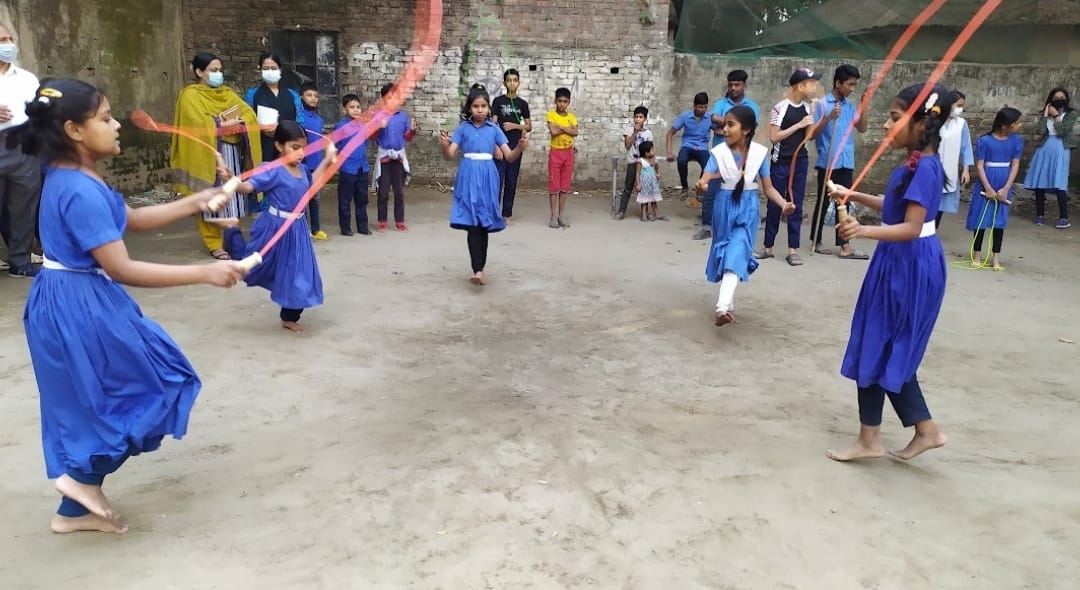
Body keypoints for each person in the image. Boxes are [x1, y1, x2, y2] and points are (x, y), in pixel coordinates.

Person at [12, 78, 246, 533]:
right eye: (105, 118)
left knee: (100, 397)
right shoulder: (78, 189)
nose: (116, 125)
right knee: (154, 385)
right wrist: (205, 273)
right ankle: (79, 481)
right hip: (77, 303)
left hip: (74, 297)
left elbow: (132, 219)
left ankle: (74, 511)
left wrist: (198, 201)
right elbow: (122, 267)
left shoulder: (78, 177)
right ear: (74, 130)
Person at [825, 82, 952, 463]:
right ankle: (923, 431)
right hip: (897, 260)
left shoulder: (926, 168)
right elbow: (895, 206)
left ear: (921, 123)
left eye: (894, 118)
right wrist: (851, 194)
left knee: (881, 343)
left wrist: (861, 230)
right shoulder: (914, 163)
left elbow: (912, 227)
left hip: (910, 264)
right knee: (881, 343)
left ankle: (873, 439)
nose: (885, 125)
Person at [212, 121, 335, 332]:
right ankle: (232, 230)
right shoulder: (273, 170)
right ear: (279, 145)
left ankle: (289, 316)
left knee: (299, 273)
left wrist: (327, 160)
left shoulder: (302, 169)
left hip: (297, 230)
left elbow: (310, 184)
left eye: (303, 148)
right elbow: (247, 187)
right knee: (250, 267)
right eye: (295, 147)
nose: (301, 153)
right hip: (274, 229)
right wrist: (232, 179)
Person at [696, 105, 793, 327]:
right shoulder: (718, 152)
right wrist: (701, 185)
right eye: (725, 125)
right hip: (724, 207)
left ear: (746, 129)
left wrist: (783, 204)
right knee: (726, 251)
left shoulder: (759, 154)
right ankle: (728, 306)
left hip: (748, 208)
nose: (725, 129)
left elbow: (768, 188)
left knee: (738, 249)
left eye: (731, 125)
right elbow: (705, 178)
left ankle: (721, 307)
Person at [170, 52, 261, 260]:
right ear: (199, 72)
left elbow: (248, 113)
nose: (218, 74)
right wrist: (220, 123)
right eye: (213, 70)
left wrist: (238, 122)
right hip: (206, 154)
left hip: (231, 152)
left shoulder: (227, 93)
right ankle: (213, 243)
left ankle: (231, 237)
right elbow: (196, 123)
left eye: (219, 70)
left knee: (230, 197)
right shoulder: (190, 96)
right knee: (208, 197)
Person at [439, 84, 528, 285]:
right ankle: (477, 269)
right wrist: (445, 146)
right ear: (469, 108)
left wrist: (520, 148)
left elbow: (509, 156)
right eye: (475, 106)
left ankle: (480, 269)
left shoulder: (494, 130)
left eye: (483, 106)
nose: (479, 110)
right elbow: (449, 155)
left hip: (488, 178)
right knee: (472, 224)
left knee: (483, 223)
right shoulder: (463, 129)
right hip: (468, 177)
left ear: (489, 108)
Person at [756, 67, 823, 267]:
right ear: (800, 86)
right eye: (811, 84)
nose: (814, 87)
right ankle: (768, 247)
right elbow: (774, 137)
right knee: (775, 204)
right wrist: (798, 125)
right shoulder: (780, 108)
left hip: (800, 161)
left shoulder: (807, 108)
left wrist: (813, 114)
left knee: (796, 204)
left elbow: (809, 136)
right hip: (780, 162)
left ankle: (793, 250)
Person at [809, 64, 870, 258]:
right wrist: (828, 118)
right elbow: (811, 134)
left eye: (854, 85)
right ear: (838, 83)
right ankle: (816, 241)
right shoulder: (822, 105)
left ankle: (844, 245)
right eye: (850, 84)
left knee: (843, 203)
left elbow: (862, 127)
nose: (852, 88)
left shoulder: (849, 106)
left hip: (846, 161)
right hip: (828, 162)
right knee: (823, 203)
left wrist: (864, 105)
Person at [695, 70, 760, 236]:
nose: (733, 88)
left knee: (744, 191)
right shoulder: (721, 103)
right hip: (720, 157)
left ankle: (740, 225)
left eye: (737, 85)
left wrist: (724, 122)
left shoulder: (752, 106)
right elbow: (713, 118)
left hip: (743, 157)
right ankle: (707, 227)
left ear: (744, 85)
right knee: (711, 191)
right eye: (730, 85)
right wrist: (736, 123)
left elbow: (752, 126)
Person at [0, 23, 42, 277]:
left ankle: (20, 261)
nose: (8, 45)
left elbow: (39, 110)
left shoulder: (27, 79)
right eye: (1, 40)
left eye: (9, 39)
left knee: (23, 206)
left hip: (24, 146)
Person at [966, 107, 1022, 271]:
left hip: (1005, 180)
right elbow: (980, 165)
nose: (1019, 125)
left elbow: (1015, 164)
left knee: (999, 222)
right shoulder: (985, 141)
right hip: (986, 181)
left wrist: (1006, 188)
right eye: (1016, 123)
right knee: (981, 219)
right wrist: (988, 188)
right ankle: (977, 254)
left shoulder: (1016, 141)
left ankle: (995, 257)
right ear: (1004, 125)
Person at [1024, 88, 1076, 229]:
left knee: (1060, 181)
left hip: (1061, 149)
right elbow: (1040, 131)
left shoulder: (1071, 114)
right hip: (1044, 148)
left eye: (1062, 97)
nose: (1059, 99)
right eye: (1056, 97)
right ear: (1051, 99)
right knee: (1040, 181)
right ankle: (1040, 215)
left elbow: (1062, 131)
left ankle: (1064, 218)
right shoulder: (1047, 113)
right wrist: (1046, 114)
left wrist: (1056, 116)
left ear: (1066, 99)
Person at [245, 52, 304, 166]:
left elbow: (300, 120)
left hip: (288, 144)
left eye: (273, 68)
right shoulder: (252, 94)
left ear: (280, 70)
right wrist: (260, 127)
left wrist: (283, 129)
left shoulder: (292, 95)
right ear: (260, 70)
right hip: (262, 144)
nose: (270, 71)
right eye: (266, 68)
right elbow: (247, 120)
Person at [491, 68, 532, 223]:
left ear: (519, 83)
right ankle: (494, 214)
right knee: (497, 181)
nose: (512, 83)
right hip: (501, 145)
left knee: (511, 180)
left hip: (515, 146)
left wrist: (515, 126)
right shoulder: (498, 101)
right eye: (509, 80)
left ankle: (506, 214)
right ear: (504, 83)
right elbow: (492, 125)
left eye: (515, 80)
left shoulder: (522, 104)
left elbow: (529, 126)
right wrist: (496, 146)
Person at [374, 83, 416, 232]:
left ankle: (399, 221)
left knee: (399, 192)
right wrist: (378, 127)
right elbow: (371, 136)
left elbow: (407, 137)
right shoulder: (378, 115)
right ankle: (382, 221)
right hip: (384, 157)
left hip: (398, 157)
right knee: (383, 192)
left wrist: (413, 131)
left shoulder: (403, 116)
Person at [334, 94, 371, 236]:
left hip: (362, 168)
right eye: (351, 107)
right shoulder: (340, 127)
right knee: (345, 200)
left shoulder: (363, 125)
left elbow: (365, 144)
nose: (356, 110)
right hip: (347, 169)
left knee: (362, 199)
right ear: (344, 110)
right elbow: (335, 146)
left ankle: (363, 226)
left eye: (358, 107)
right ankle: (345, 228)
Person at [935, 90, 973, 228]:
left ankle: (933, 228)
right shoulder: (934, 120)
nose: (960, 109)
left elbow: (966, 147)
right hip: (932, 166)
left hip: (950, 168)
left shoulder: (961, 124)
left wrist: (966, 170)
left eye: (962, 106)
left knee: (941, 202)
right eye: (958, 105)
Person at [665, 92, 712, 201]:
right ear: (694, 106)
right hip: (688, 146)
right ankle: (684, 187)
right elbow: (670, 133)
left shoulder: (710, 117)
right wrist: (669, 152)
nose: (703, 110)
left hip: (702, 148)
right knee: (681, 160)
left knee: (708, 166)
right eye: (700, 107)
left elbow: (719, 130)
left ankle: (700, 189)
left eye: (705, 107)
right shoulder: (685, 116)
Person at [299, 82, 328, 240]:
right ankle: (303, 229)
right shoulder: (299, 118)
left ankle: (316, 229)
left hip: (316, 164)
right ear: (301, 97)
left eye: (316, 96)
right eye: (309, 95)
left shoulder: (319, 120)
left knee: (315, 198)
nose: (313, 98)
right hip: (302, 164)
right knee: (302, 199)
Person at [546, 87, 578, 228]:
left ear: (569, 102)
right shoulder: (551, 115)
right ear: (555, 101)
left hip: (568, 153)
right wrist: (568, 129)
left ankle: (561, 215)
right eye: (560, 101)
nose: (562, 104)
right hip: (556, 153)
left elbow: (575, 132)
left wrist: (561, 127)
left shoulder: (572, 117)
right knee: (554, 187)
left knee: (564, 187)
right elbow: (553, 132)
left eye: (565, 101)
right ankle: (553, 216)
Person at [614, 106, 653, 219]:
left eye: (640, 117)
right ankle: (621, 211)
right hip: (632, 162)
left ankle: (644, 213)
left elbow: (651, 150)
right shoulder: (629, 130)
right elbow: (627, 145)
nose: (638, 119)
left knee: (644, 189)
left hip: (644, 164)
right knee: (628, 188)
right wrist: (635, 132)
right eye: (636, 117)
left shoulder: (648, 133)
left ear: (645, 119)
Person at [634, 141, 667, 222]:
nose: (654, 151)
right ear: (646, 153)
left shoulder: (654, 160)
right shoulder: (640, 161)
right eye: (652, 150)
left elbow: (657, 168)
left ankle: (657, 214)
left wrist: (658, 173)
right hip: (644, 183)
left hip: (653, 183)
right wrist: (638, 184)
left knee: (653, 200)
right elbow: (637, 173)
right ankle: (644, 215)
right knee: (644, 201)